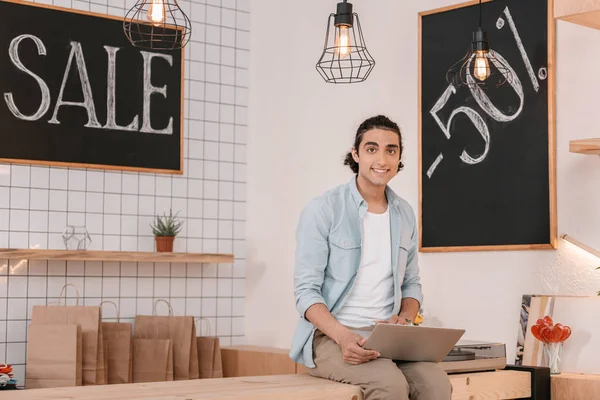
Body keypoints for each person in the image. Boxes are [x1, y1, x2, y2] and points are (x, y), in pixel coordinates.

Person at [289, 115, 452, 399]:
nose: (382, 159)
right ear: (356, 154)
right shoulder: (323, 209)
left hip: (389, 338)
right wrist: (342, 337)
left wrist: (405, 319)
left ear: (399, 157)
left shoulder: (404, 214)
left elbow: (411, 284)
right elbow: (305, 293)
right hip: (330, 337)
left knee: (437, 385)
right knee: (389, 386)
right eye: (372, 148)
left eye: (391, 150)